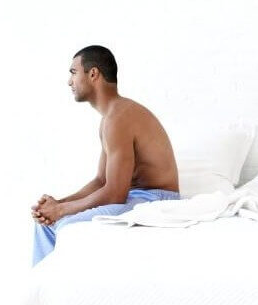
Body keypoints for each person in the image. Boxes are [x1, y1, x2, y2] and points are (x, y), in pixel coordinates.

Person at [31, 45, 180, 266]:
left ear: (93, 74)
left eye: (73, 72)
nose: (69, 81)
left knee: (66, 225)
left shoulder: (119, 117)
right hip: (135, 196)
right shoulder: (110, 118)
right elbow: (102, 181)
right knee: (46, 224)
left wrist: (61, 210)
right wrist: (56, 204)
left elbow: (115, 194)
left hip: (154, 199)